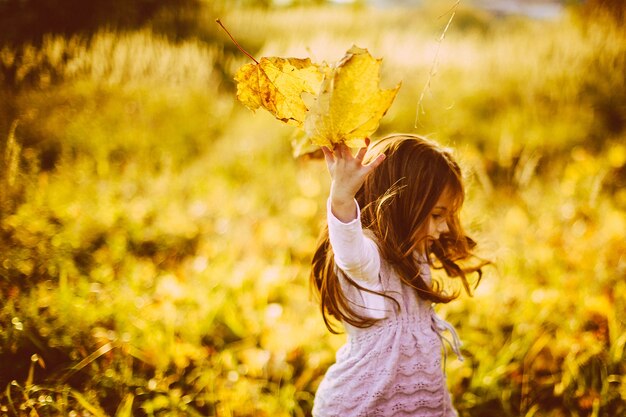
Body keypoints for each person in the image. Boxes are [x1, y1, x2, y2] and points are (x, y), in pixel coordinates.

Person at [311, 134, 486, 417]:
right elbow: (350, 251)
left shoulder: (413, 254)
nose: (442, 229)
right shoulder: (370, 259)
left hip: (417, 400)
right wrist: (342, 198)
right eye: (437, 215)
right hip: (362, 405)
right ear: (401, 205)